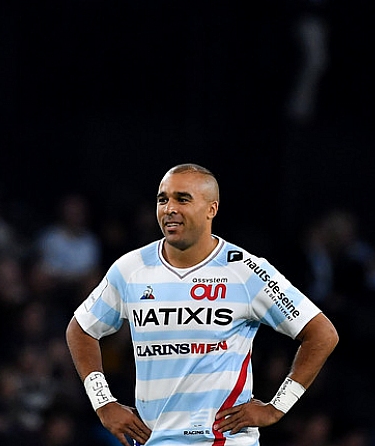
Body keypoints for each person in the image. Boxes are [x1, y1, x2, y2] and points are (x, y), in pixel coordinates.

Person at [66, 163, 339, 446]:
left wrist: (277, 407)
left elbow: (322, 334)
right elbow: (81, 328)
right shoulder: (131, 269)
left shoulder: (246, 271)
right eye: (163, 199)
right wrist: (103, 402)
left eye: (182, 199)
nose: (169, 208)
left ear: (212, 209)